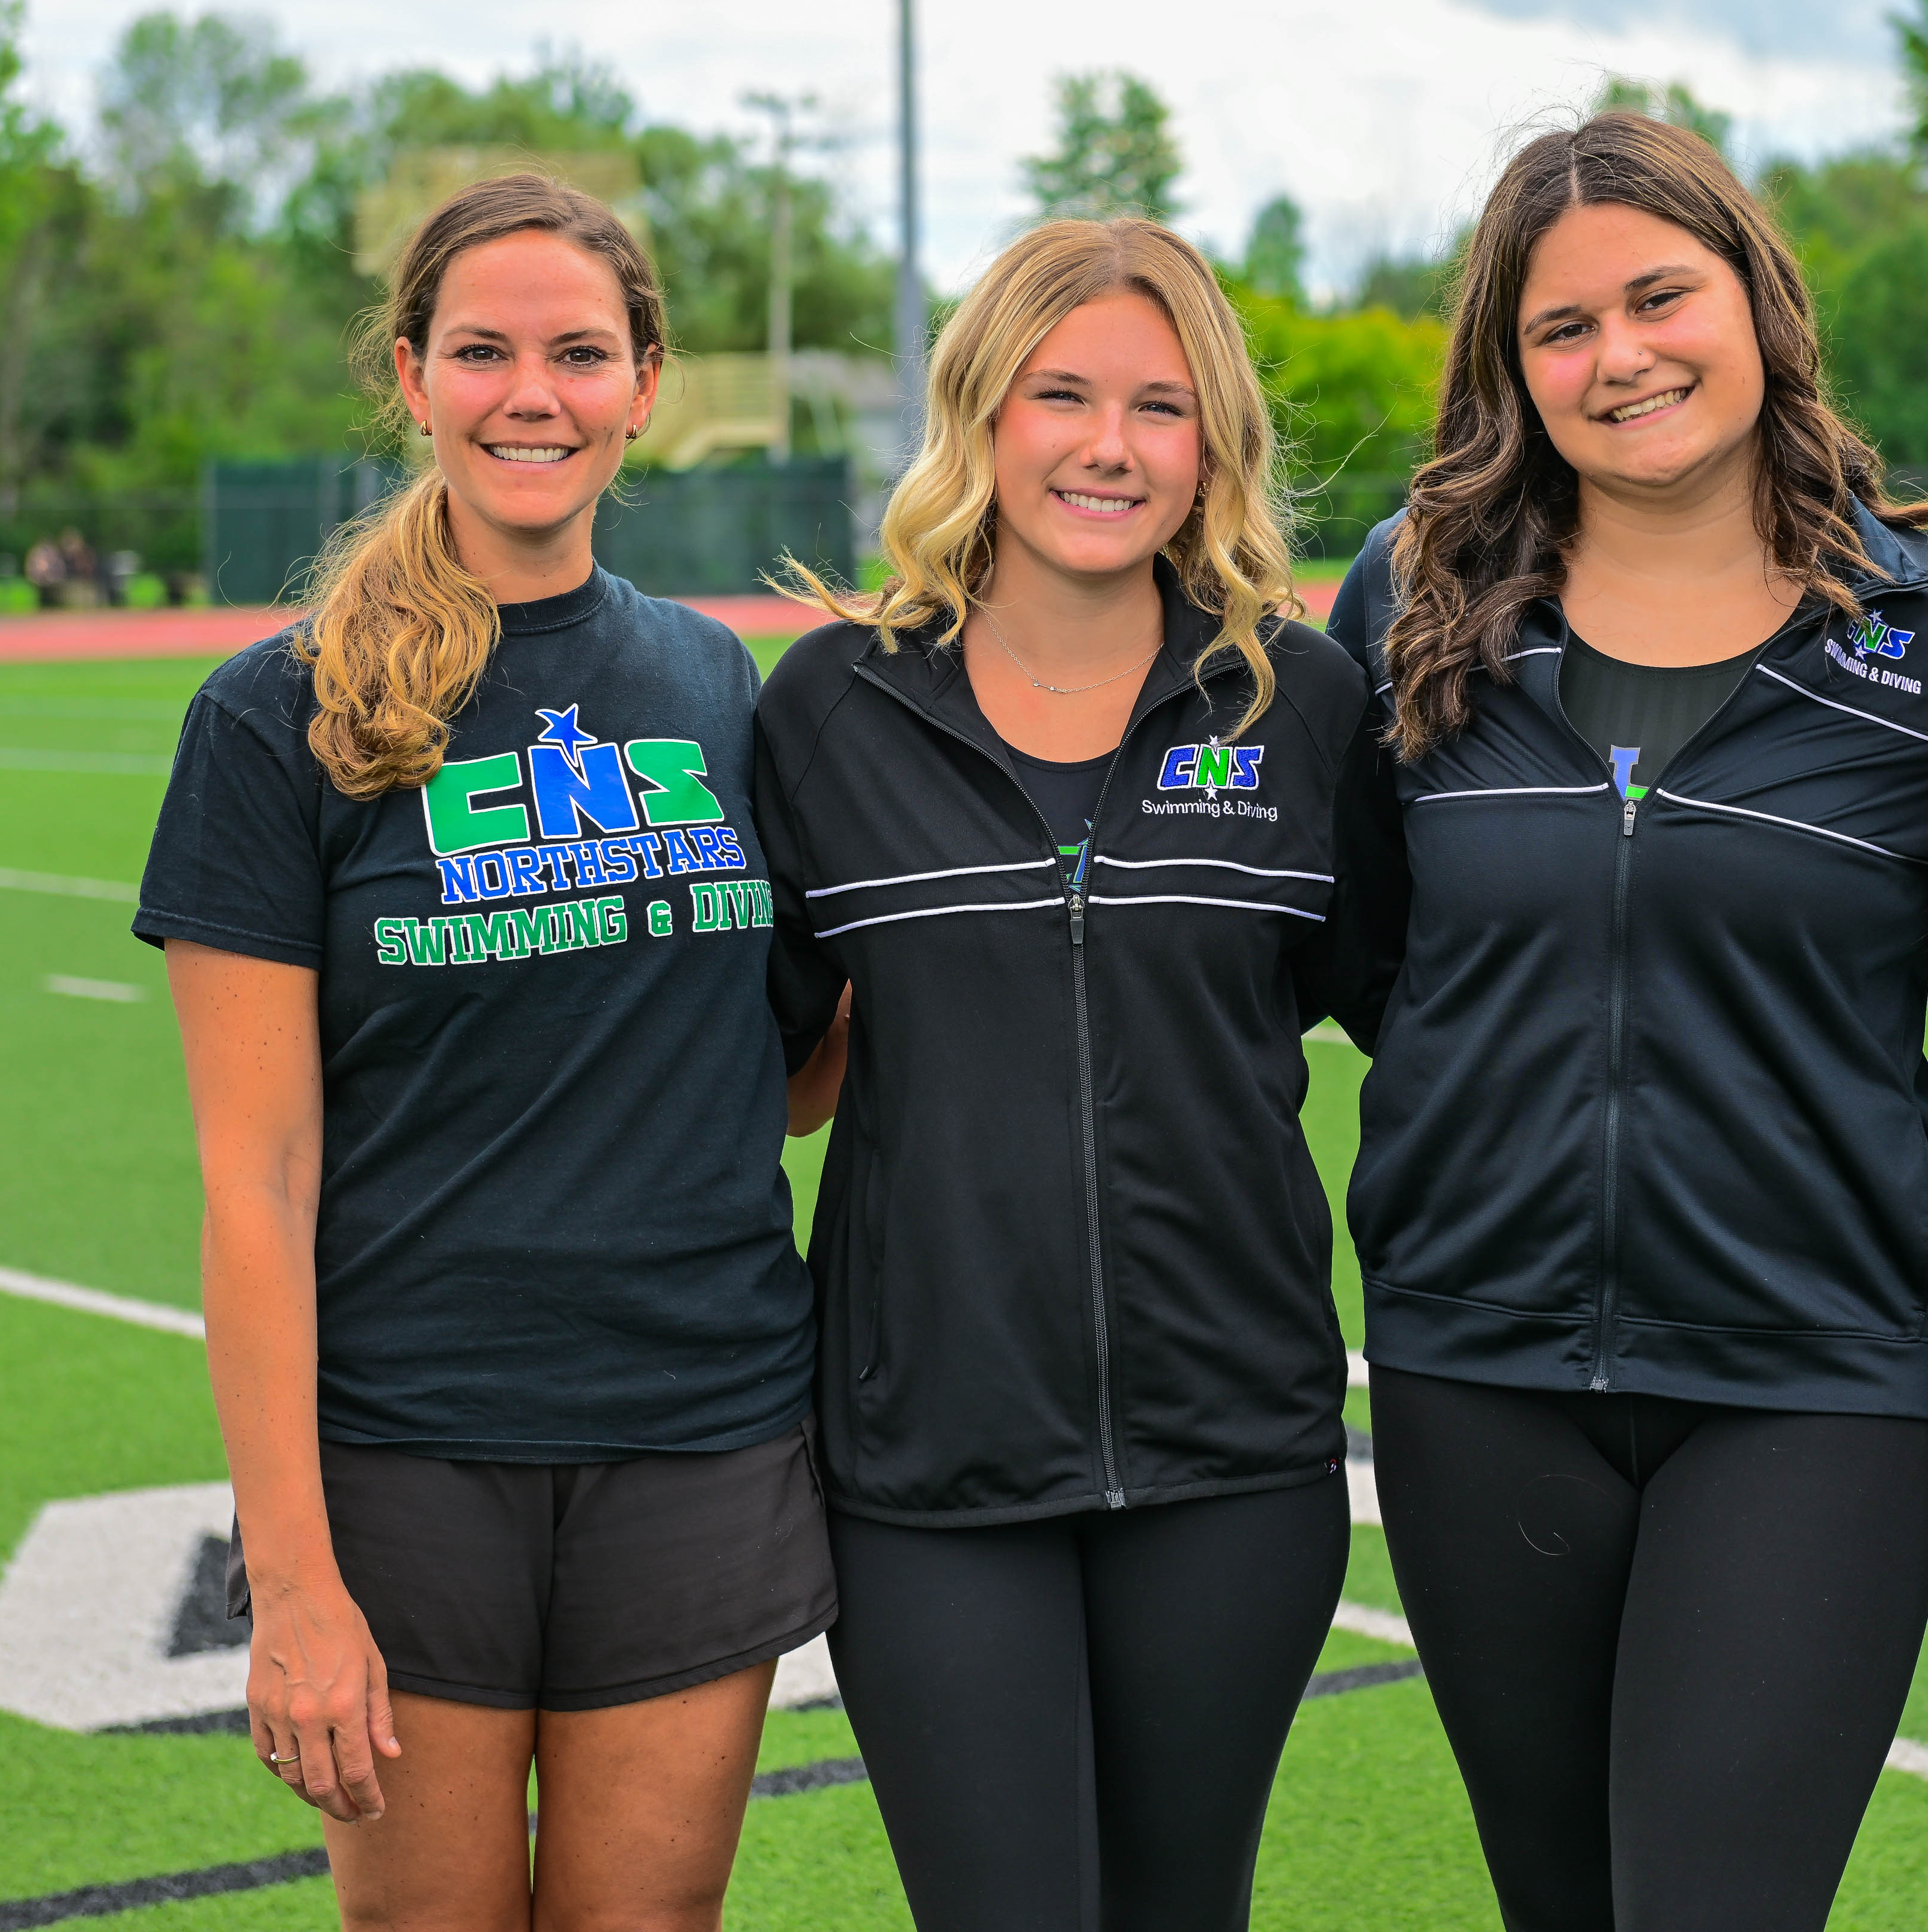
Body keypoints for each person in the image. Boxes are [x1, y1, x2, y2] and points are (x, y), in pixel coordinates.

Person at [1324, 112, 1928, 1928]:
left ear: (1757, 301)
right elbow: (1382, 956)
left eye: (1661, 297)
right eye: (1564, 328)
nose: (1621, 358)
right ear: (1511, 365)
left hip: (1806, 1374)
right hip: (1480, 1375)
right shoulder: (1417, 599)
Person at [137, 174, 828, 1928]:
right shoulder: (270, 714)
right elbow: (256, 1175)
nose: (536, 394)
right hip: (406, 1453)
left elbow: (779, 1071)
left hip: (700, 1427)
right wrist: (287, 1579)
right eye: (487, 351)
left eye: (581, 353)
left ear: (647, 381)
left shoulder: (723, 689)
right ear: (414, 375)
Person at [757, 216, 1378, 1932]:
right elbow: (772, 1063)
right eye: (1063, 395)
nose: (1109, 446)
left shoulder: (1298, 706)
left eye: (1160, 408)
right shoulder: (831, 709)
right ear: (981, 413)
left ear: (1212, 446)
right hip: (931, 1475)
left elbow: (1414, 1006)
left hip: (1233, 1462)